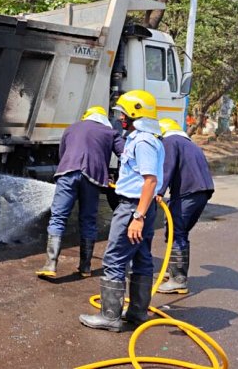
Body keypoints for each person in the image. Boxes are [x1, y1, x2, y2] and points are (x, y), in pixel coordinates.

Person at [79, 90, 165, 332]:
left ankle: (110, 317)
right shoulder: (147, 138)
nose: (120, 118)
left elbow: (149, 180)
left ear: (136, 114)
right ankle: (137, 312)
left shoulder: (144, 141)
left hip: (132, 208)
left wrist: (137, 217)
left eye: (123, 114)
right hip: (141, 206)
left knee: (114, 259)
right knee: (141, 258)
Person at [36, 106, 124, 279]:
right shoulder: (110, 132)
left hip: (67, 173)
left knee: (58, 217)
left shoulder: (71, 128)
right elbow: (126, 154)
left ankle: (50, 265)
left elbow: (63, 153)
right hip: (93, 177)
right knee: (88, 219)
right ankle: (85, 267)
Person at [156, 118, 214, 294]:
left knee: (178, 231)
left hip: (188, 192)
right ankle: (174, 271)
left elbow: (167, 168)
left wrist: (158, 191)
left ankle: (178, 279)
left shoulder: (170, 141)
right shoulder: (189, 143)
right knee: (176, 229)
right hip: (202, 191)